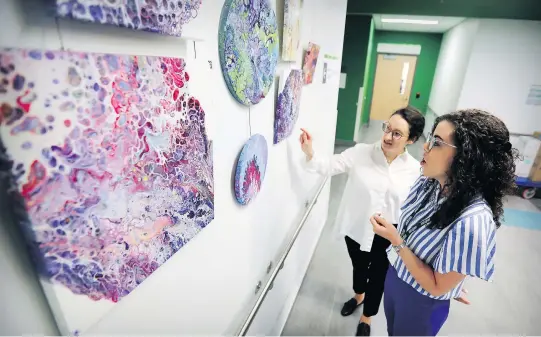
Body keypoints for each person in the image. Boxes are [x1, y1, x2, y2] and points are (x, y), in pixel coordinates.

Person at [370, 109, 518, 336]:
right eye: (430, 138)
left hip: (421, 300)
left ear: (467, 157)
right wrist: (453, 276)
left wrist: (395, 240)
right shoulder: (430, 182)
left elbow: (437, 287)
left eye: (437, 143)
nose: (426, 147)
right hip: (396, 276)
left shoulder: (473, 222)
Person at [299, 107, 425, 336]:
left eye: (397, 133)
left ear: (412, 139)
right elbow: (329, 165)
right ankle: (358, 295)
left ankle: (367, 317)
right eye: (387, 128)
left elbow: (416, 208)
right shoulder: (361, 153)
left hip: (388, 235)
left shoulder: (415, 170)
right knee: (358, 266)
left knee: (378, 276)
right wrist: (310, 152)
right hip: (357, 227)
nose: (387, 136)